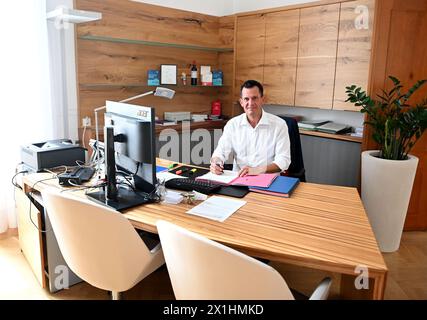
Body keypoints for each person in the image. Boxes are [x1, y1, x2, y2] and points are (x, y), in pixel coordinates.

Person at [210, 80, 291, 177]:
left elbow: (283, 161)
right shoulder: (233, 124)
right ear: (241, 102)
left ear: (262, 99)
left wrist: (257, 170)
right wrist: (216, 163)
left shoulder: (279, 125)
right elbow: (220, 151)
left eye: (254, 98)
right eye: (246, 99)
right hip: (239, 180)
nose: (250, 103)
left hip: (268, 182)